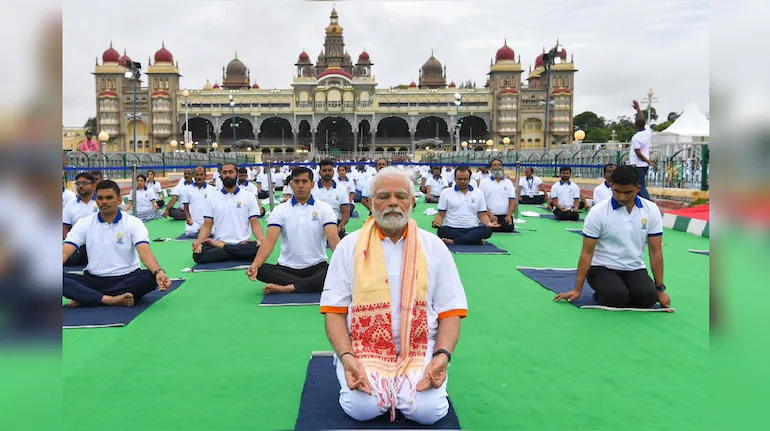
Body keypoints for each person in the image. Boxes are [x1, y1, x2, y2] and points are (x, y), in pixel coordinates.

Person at [320, 166, 468, 425]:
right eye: (383, 196)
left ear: (412, 202)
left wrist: (441, 357)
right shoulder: (349, 247)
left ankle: (401, 387)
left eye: (400, 196)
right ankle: (378, 383)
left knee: (427, 412)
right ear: (369, 202)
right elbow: (334, 311)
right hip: (362, 348)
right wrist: (347, 357)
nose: (392, 203)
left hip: (421, 348)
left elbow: (451, 311)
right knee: (362, 408)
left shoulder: (433, 247)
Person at [554, 165, 671, 308]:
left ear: (638, 189)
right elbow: (587, 252)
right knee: (617, 297)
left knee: (648, 298)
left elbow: (655, 250)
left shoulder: (651, 210)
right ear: (611, 187)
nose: (622, 197)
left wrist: (660, 290)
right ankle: (604, 291)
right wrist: (577, 289)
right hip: (602, 267)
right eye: (617, 191)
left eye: (628, 192)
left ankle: (631, 290)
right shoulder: (598, 212)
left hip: (634, 267)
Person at [62, 180, 171, 307]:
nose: (104, 202)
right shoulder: (84, 223)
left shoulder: (133, 222)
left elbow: (145, 253)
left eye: (109, 198)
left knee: (150, 277)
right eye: (100, 198)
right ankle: (109, 299)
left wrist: (159, 272)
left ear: (119, 200)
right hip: (93, 279)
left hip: (127, 277)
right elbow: (65, 252)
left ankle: (89, 297)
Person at [246, 167, 340, 294]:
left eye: (304, 181)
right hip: (286, 268)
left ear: (312, 184)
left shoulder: (324, 209)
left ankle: (289, 287)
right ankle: (309, 285)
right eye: (297, 182)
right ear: (291, 184)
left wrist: (345, 264)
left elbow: (333, 239)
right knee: (261, 270)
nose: (300, 186)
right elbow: (269, 241)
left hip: (317, 266)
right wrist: (255, 265)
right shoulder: (280, 210)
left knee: (334, 271)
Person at [192, 163, 264, 264]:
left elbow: (255, 223)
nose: (227, 175)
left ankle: (226, 249)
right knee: (197, 255)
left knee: (258, 249)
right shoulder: (212, 197)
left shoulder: (249, 197)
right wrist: (198, 242)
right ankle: (235, 253)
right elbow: (207, 225)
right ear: (220, 175)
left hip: (242, 243)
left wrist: (260, 239)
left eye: (231, 172)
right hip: (219, 243)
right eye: (224, 172)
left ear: (237, 174)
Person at [432, 166, 498, 245]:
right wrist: (437, 223)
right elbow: (440, 214)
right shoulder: (446, 193)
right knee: (441, 231)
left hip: (472, 228)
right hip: (452, 228)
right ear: (455, 179)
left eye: (465, 179)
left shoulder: (478, 193)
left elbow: (482, 215)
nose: (462, 181)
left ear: (469, 179)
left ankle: (454, 241)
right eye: (459, 179)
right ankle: (474, 240)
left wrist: (489, 224)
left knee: (487, 231)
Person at [63, 172, 98, 266]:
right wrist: (71, 242)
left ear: (94, 186)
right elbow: (65, 227)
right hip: (77, 244)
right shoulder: (70, 205)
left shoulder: (101, 202)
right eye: (78, 183)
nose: (81, 186)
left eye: (85, 183)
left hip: (98, 243)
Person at [312, 159, 351, 238]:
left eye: (330, 170)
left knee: (339, 249)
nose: (327, 173)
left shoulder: (341, 189)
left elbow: (346, 211)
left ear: (333, 172)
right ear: (319, 172)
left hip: (335, 223)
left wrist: (341, 224)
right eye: (324, 170)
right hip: (315, 223)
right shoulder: (312, 188)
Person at [480, 159, 516, 233]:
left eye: (499, 165)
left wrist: (509, 215)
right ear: (490, 168)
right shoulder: (484, 182)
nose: (497, 167)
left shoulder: (508, 183)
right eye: (494, 165)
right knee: (488, 230)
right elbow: (481, 201)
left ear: (502, 168)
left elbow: (512, 201)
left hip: (505, 217)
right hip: (489, 216)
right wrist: (490, 215)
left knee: (508, 228)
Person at [180, 166, 216, 238]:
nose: (199, 177)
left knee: (214, 233)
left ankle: (203, 231)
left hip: (208, 221)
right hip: (194, 221)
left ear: (205, 176)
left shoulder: (213, 190)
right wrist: (188, 218)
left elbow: (215, 207)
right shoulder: (187, 189)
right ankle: (202, 232)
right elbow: (186, 208)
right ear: (193, 176)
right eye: (197, 175)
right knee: (190, 233)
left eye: (201, 175)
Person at [630, 100, 655, 200]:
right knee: (638, 184)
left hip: (638, 164)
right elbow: (642, 118)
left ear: (635, 126)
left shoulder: (636, 137)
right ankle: (641, 202)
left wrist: (647, 160)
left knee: (640, 186)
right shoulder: (648, 131)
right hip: (643, 165)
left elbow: (638, 153)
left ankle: (648, 203)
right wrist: (638, 109)